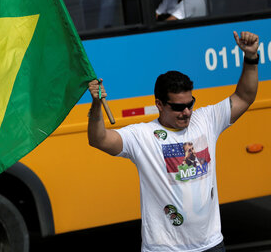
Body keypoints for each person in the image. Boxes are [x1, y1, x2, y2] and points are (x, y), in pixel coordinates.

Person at [87, 31, 259, 252]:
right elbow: (99, 139)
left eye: (190, 104)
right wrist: (95, 105)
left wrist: (251, 57)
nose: (186, 112)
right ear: (159, 104)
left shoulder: (206, 119)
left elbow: (245, 97)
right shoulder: (142, 135)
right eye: (178, 107)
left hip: (212, 244)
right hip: (164, 248)